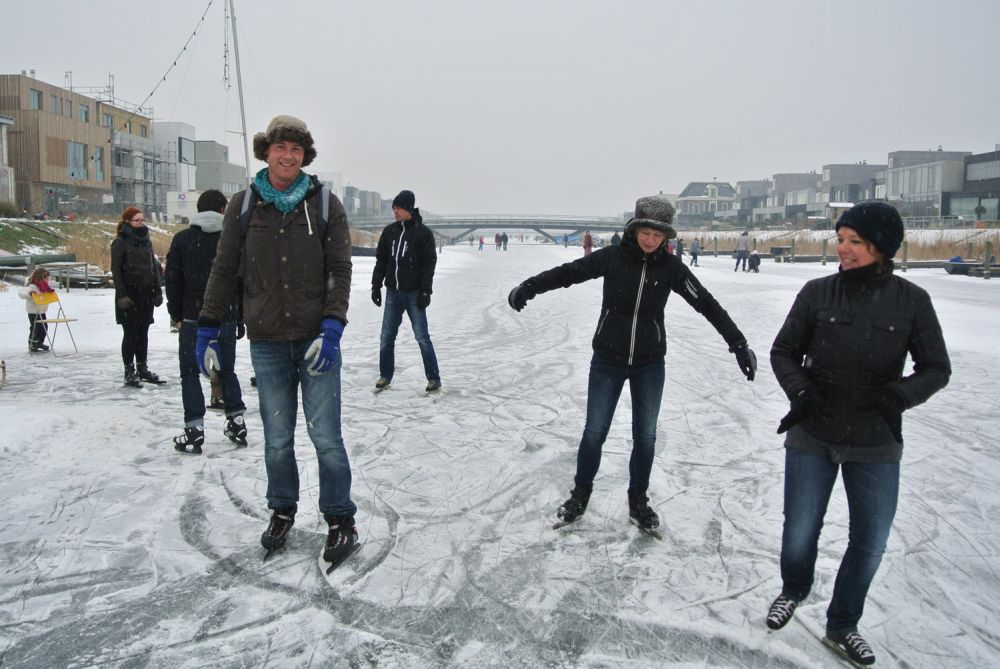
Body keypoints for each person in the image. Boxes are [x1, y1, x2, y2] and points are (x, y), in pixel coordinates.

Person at [766, 202, 951, 666]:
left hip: (876, 439)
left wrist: (899, 397)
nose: (842, 249)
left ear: (881, 248)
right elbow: (784, 351)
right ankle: (794, 588)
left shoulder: (912, 301)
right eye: (840, 239)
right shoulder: (816, 293)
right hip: (813, 431)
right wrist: (801, 392)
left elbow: (936, 369)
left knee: (870, 540)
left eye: (854, 242)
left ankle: (842, 624)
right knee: (799, 528)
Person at [508, 196, 757, 534]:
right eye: (646, 232)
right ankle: (580, 495)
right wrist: (530, 286)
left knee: (646, 436)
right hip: (607, 360)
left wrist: (737, 343)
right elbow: (570, 273)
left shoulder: (672, 269)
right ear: (635, 228)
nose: (651, 240)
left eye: (658, 235)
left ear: (666, 237)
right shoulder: (612, 258)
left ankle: (638, 501)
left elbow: (706, 304)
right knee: (594, 432)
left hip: (649, 364)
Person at [196, 115, 359, 564]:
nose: (288, 156)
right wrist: (208, 324)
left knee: (326, 436)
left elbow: (340, 270)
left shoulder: (326, 204)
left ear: (305, 156)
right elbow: (224, 267)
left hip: (315, 340)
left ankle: (340, 519)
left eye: (297, 149)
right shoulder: (244, 205)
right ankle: (282, 510)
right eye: (280, 148)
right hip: (267, 341)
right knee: (277, 438)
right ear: (266, 152)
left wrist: (332, 326)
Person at [165, 189, 247, 455]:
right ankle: (236, 421)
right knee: (227, 371)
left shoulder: (182, 240)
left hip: (192, 318)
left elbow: (173, 280)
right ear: (223, 210)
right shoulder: (230, 241)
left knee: (189, 374)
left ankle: (194, 429)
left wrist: (175, 313)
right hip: (225, 315)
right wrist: (239, 316)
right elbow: (242, 280)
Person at [371, 190, 441, 392]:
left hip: (414, 293)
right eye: (394, 208)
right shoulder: (389, 232)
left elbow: (430, 264)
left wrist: (426, 291)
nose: (395, 212)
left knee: (422, 336)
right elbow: (381, 261)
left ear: (409, 208)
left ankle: (434, 378)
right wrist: (376, 286)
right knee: (386, 337)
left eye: (399, 208)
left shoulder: (423, 233)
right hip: (393, 292)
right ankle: (385, 375)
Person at [111, 206, 164, 388]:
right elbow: (116, 271)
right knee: (131, 333)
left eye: (142, 220)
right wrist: (122, 294)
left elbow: (153, 268)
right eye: (137, 220)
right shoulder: (120, 242)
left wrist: (157, 290)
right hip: (129, 294)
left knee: (143, 333)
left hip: (146, 294)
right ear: (127, 222)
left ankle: (142, 367)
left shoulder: (146, 241)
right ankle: (129, 370)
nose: (140, 223)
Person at [18, 267, 54, 352]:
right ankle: (33, 344)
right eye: (47, 279)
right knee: (36, 327)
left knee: (44, 327)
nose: (48, 281)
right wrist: (29, 294)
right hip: (33, 312)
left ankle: (39, 342)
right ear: (41, 278)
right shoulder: (32, 286)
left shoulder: (45, 287)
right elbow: (21, 293)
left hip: (41, 311)